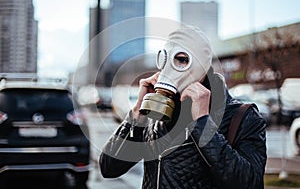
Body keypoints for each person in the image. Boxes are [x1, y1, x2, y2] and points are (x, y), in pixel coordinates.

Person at [99, 25, 267, 189]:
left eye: (182, 59)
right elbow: (109, 168)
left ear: (202, 64)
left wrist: (203, 123)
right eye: (166, 59)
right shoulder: (156, 115)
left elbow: (250, 182)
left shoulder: (242, 117)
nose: (170, 68)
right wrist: (137, 114)